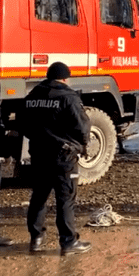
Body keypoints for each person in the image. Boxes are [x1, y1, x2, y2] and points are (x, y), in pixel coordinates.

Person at [23, 62, 92, 255]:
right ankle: (68, 242)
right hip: (63, 156)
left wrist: (38, 139)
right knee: (65, 199)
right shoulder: (69, 97)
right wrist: (81, 145)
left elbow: (23, 124)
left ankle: (36, 238)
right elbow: (83, 128)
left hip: (38, 154)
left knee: (39, 197)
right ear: (64, 78)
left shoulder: (32, 96)